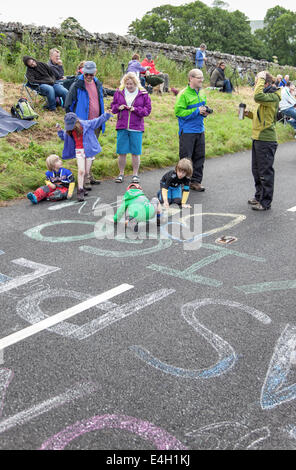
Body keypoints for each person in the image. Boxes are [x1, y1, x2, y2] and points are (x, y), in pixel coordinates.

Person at [65, 60, 113, 188]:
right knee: (84, 151)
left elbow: (100, 99)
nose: (88, 76)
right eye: (86, 74)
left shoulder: (97, 83)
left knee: (91, 152)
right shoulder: (77, 85)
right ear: (83, 72)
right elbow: (68, 105)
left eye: (91, 74)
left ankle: (89, 176)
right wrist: (74, 123)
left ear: (95, 72)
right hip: (82, 125)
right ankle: (84, 181)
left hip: (95, 123)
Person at [244, 71, 281, 211]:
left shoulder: (273, 96)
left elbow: (257, 96)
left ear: (265, 83)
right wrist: (250, 115)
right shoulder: (267, 97)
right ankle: (259, 195)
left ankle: (265, 202)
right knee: (256, 170)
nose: (255, 85)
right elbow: (263, 117)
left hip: (266, 139)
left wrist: (260, 76)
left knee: (265, 172)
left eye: (258, 82)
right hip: (258, 137)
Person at [57, 111, 112, 202]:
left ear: (76, 121)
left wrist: (106, 115)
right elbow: (64, 137)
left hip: (89, 150)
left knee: (86, 172)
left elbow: (98, 120)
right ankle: (80, 190)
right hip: (79, 151)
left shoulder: (87, 124)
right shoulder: (69, 130)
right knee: (81, 171)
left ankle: (83, 186)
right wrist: (60, 131)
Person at [175, 68, 212, 192]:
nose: (202, 80)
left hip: (200, 129)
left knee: (199, 157)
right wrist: (196, 111)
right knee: (186, 158)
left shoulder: (202, 92)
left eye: (202, 77)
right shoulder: (183, 94)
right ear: (191, 78)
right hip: (187, 131)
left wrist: (204, 113)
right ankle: (182, 182)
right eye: (199, 77)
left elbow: (202, 109)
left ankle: (195, 182)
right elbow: (179, 112)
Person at [111, 72, 152, 184]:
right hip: (122, 126)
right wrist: (118, 108)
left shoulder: (143, 94)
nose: (129, 86)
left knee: (135, 152)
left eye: (131, 84)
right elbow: (113, 107)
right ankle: (121, 174)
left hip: (136, 127)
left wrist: (135, 109)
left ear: (136, 83)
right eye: (127, 84)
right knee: (122, 152)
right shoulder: (119, 92)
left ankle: (135, 175)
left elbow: (147, 110)